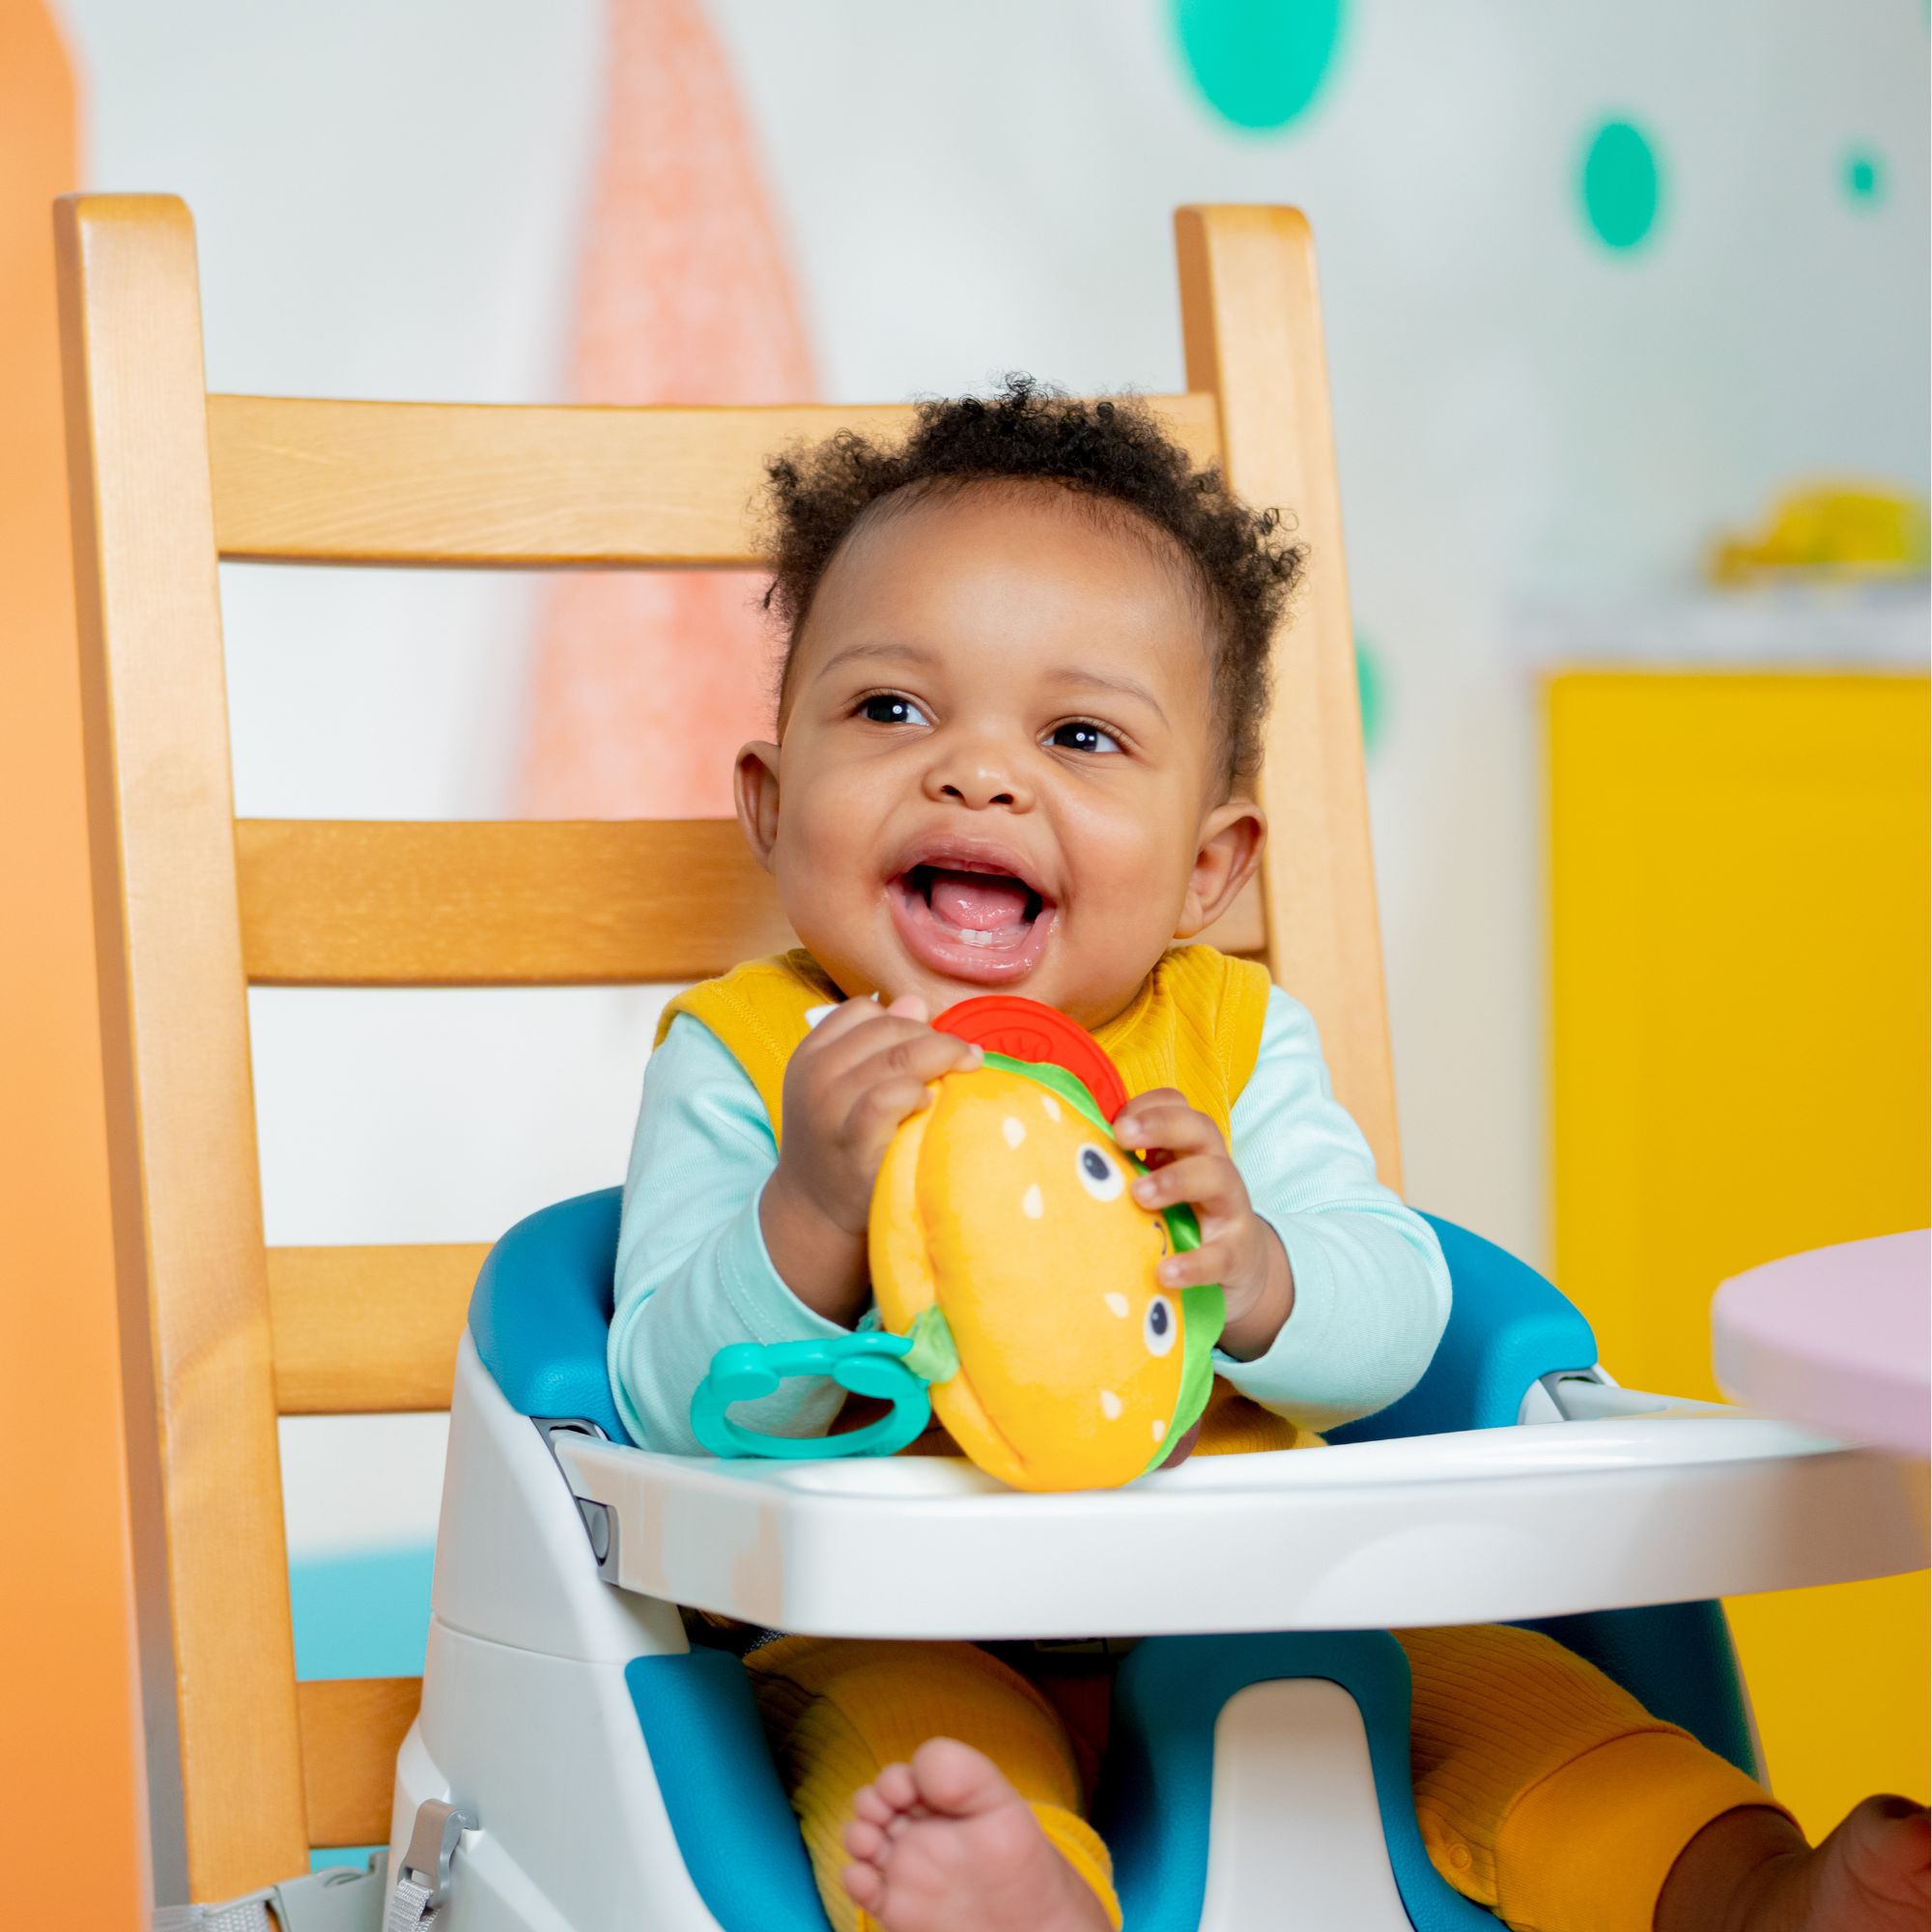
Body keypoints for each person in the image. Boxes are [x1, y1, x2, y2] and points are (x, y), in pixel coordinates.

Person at [608, 378, 1928, 1932]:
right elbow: (663, 1402)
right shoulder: (755, 1058)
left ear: (1206, 870)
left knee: (1527, 1710)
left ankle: (1754, 1895)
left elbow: (1400, 1318)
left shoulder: (1235, 1047)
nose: (977, 772)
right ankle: (1030, 1898)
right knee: (914, 1762)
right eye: (892, 710)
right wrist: (813, 1208)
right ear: (769, 807)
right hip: (914, 1626)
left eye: (1081, 733)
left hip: (1267, 1603)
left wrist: (1264, 1267)